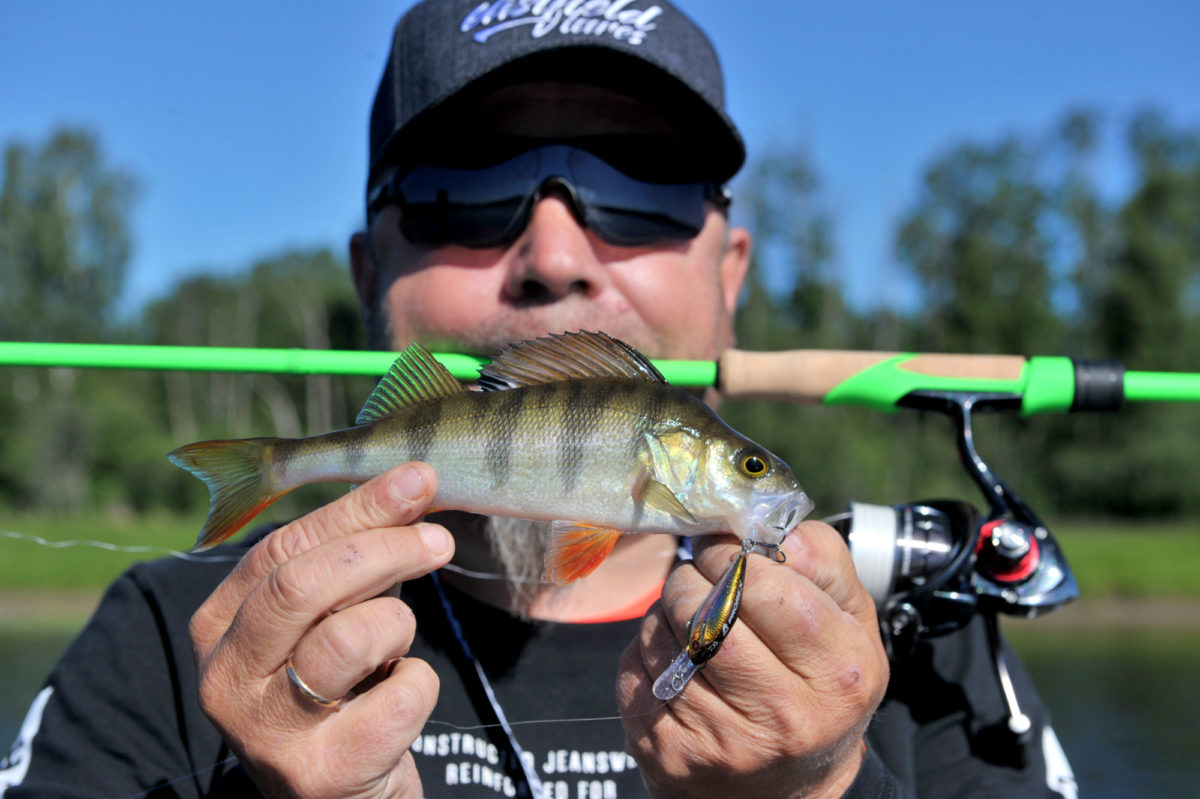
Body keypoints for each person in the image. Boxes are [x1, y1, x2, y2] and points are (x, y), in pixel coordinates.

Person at [1, 1, 1076, 797]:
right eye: (461, 188)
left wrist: (826, 791)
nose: (554, 255)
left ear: (732, 272)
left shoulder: (922, 655)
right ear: (370, 276)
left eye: (639, 185)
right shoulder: (175, 636)